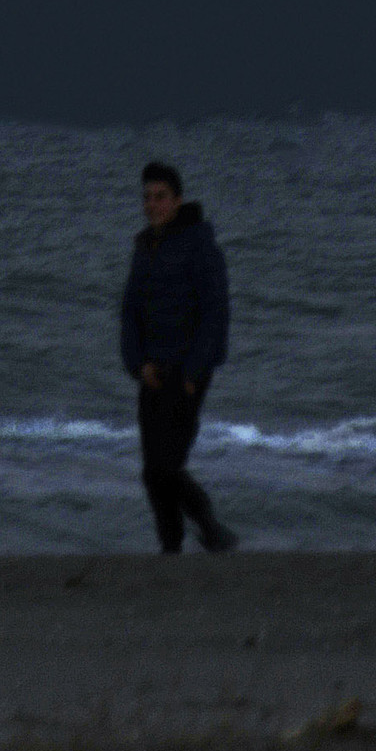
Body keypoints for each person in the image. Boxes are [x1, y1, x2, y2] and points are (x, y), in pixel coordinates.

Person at [118, 160, 239, 553]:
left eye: (160, 197)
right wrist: (137, 364)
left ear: (177, 200)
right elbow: (130, 312)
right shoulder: (144, 247)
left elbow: (215, 311)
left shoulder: (199, 245)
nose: (152, 205)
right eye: (147, 198)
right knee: (153, 472)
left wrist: (193, 371)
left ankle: (209, 525)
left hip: (186, 372)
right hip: (152, 371)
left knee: (166, 466)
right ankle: (171, 547)